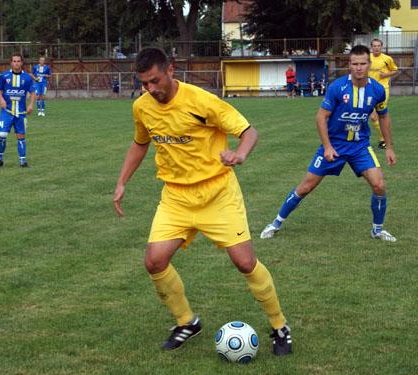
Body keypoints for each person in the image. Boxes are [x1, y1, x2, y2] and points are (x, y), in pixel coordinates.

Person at [113, 47, 292, 356]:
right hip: (175, 197)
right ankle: (187, 322)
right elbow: (140, 143)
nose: (151, 89)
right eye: (144, 83)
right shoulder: (142, 107)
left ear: (171, 71)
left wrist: (239, 154)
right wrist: (121, 182)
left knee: (245, 262)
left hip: (217, 192)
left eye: (155, 81)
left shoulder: (202, 101)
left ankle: (280, 326)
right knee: (154, 261)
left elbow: (249, 132)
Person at [260, 45, 397, 242]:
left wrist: (389, 147)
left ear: (369, 65)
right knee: (306, 187)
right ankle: (275, 223)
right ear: (349, 65)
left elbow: (383, 117)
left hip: (360, 146)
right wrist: (327, 147)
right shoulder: (337, 87)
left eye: (362, 63)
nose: (359, 67)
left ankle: (377, 229)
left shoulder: (376, 90)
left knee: (379, 185)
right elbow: (320, 118)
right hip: (334, 145)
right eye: (354, 64)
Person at [0, 53, 35, 168]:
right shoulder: (4, 76)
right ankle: (0, 159)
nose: (16, 63)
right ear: (11, 63)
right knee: (2, 134)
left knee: (21, 136)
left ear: (22, 63)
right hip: (6, 111)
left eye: (18, 61)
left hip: (21, 113)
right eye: (14, 61)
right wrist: (1, 100)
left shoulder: (27, 77)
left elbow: (32, 92)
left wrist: (31, 105)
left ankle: (23, 161)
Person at [368, 38, 399, 150]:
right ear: (371, 47)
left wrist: (385, 75)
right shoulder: (368, 58)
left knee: (378, 115)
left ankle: (384, 140)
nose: (376, 48)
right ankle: (384, 139)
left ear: (381, 47)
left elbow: (395, 70)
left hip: (382, 89)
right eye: (374, 46)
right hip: (369, 89)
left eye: (378, 46)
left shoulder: (387, 59)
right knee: (373, 117)